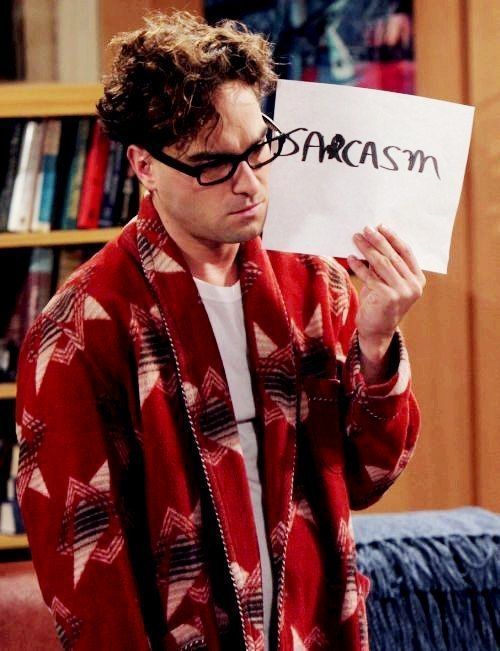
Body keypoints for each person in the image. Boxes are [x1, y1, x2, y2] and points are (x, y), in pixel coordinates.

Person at [16, 11, 424, 651]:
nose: (249, 183)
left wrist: (375, 342)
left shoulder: (316, 282)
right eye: (212, 165)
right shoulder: (79, 327)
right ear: (143, 166)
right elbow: (86, 571)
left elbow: (367, 477)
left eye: (258, 149)